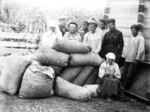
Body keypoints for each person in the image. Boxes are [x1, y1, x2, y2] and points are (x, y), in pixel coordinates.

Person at [121, 24, 145, 90]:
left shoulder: (141, 38)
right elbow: (127, 47)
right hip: (127, 57)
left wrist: (137, 59)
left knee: (130, 74)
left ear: (137, 31)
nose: (133, 31)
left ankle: (125, 87)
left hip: (134, 59)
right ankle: (120, 85)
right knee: (124, 72)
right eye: (132, 30)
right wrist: (124, 56)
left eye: (134, 30)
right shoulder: (130, 37)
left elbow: (141, 49)